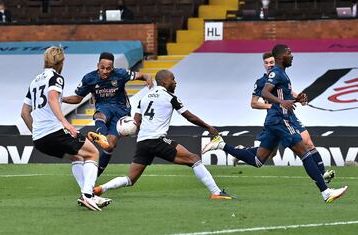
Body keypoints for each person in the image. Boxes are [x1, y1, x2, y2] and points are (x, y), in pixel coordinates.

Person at [203, 45, 348, 203]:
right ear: (280, 57)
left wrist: (296, 99)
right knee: (305, 152)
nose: (292, 55)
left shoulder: (282, 74)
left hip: (275, 121)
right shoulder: (276, 73)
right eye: (289, 53)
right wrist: (281, 102)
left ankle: (221, 145)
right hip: (280, 120)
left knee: (259, 161)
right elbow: (265, 93)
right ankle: (326, 192)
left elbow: (283, 98)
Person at [93, 70, 233, 200]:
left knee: (130, 179)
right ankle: (216, 192)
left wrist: (125, 130)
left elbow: (136, 123)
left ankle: (101, 188)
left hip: (142, 142)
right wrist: (208, 127)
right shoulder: (170, 97)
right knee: (194, 159)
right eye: (173, 79)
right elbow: (189, 117)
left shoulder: (144, 98)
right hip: (157, 140)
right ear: (165, 82)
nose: (175, 82)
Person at [21, 46, 110, 211]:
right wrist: (65, 122)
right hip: (54, 132)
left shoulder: (34, 81)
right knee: (93, 153)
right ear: (61, 62)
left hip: (39, 139)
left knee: (78, 157)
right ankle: (88, 196)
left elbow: (24, 112)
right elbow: (53, 98)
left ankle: (88, 194)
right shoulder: (56, 78)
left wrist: (36, 132)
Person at [62, 52, 153, 177]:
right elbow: (77, 99)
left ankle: (95, 174)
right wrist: (61, 98)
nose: (105, 71)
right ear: (97, 65)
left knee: (110, 146)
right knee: (100, 115)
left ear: (113, 67)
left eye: (108, 68)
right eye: (102, 68)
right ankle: (101, 136)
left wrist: (148, 79)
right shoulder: (89, 78)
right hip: (104, 107)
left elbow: (143, 75)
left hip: (121, 111)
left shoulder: (121, 74)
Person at [250, 52, 335, 182]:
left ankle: (322, 174)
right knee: (271, 153)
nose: (269, 65)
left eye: (271, 62)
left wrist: (299, 98)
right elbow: (254, 103)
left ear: (276, 62)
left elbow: (289, 92)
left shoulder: (280, 75)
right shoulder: (261, 82)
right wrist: (272, 106)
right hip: (276, 120)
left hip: (290, 116)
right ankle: (242, 153)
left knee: (308, 142)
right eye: (266, 63)